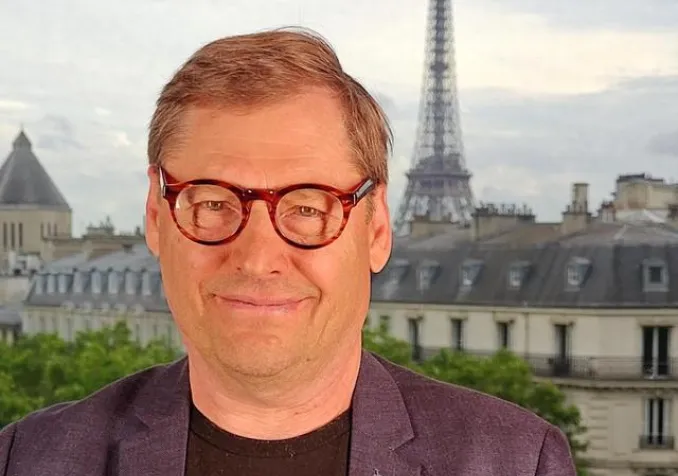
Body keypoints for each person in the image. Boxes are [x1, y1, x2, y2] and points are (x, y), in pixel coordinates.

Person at [0, 28, 576, 475]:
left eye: (308, 207)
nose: (257, 257)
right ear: (156, 216)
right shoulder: (26, 459)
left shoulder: (517, 462)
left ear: (377, 229)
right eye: (213, 203)